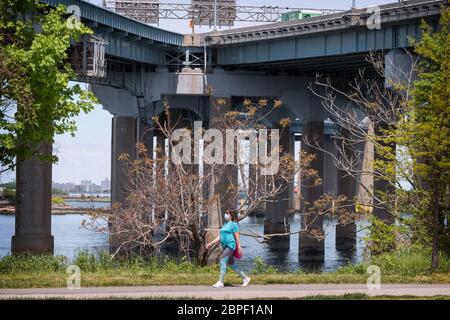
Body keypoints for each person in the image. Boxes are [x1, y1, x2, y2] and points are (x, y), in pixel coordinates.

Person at [206, 209, 251, 288]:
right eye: (225, 213)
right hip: (225, 246)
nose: (225, 214)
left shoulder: (234, 224)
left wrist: (239, 247)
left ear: (231, 215)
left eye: (227, 213)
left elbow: (237, 237)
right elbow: (220, 237)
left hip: (231, 245)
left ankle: (221, 282)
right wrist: (210, 243)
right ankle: (245, 278)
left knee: (222, 260)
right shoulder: (225, 224)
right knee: (231, 264)